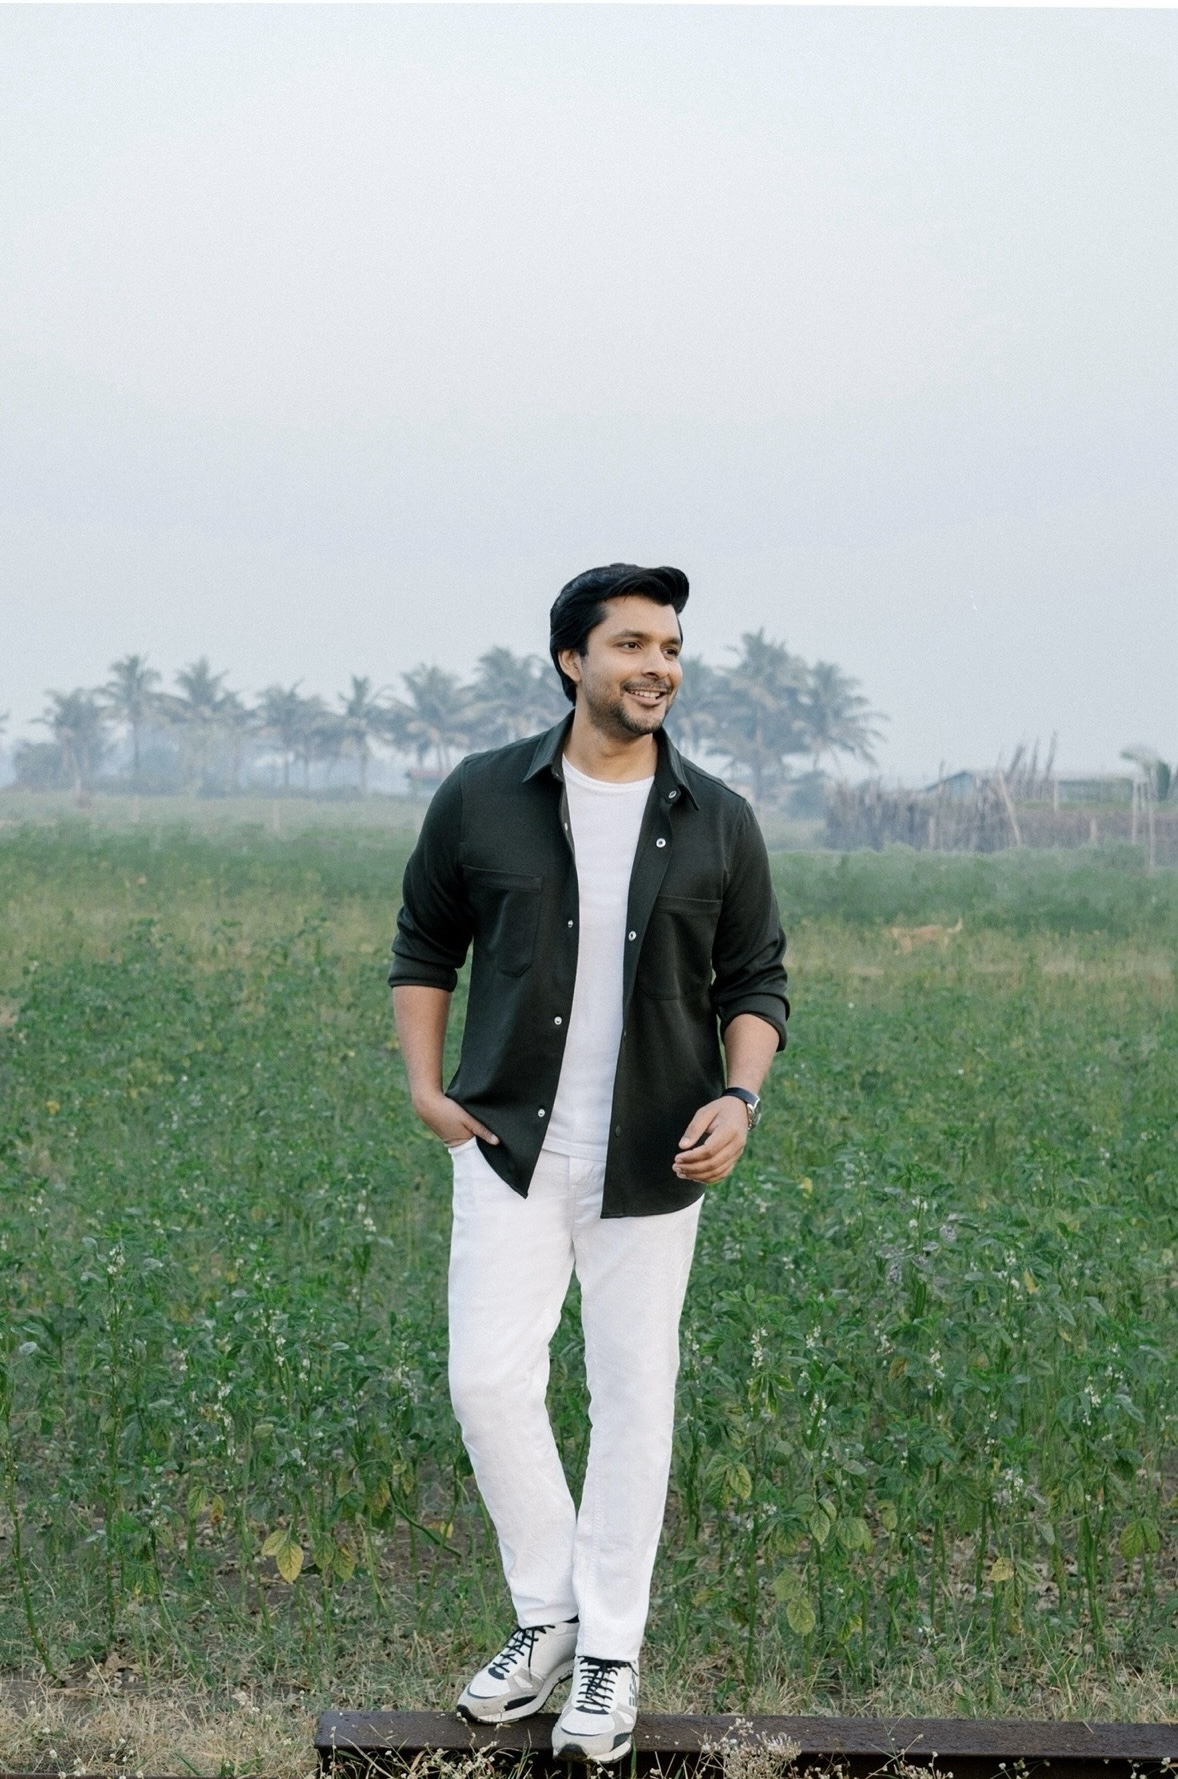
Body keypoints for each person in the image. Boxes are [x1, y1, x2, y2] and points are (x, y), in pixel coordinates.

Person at [390, 564, 788, 1763]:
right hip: (507, 1142)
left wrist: (739, 1098)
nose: (656, 666)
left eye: (669, 647)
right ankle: (551, 1614)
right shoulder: (482, 796)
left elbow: (755, 979)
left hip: (655, 1155)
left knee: (631, 1396)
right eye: (631, 645)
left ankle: (607, 1651)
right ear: (572, 661)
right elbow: (425, 943)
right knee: (485, 1382)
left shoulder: (716, 817)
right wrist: (426, 1090)